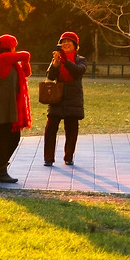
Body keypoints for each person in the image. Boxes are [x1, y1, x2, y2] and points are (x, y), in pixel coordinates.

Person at [0, 34, 32, 183]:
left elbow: (27, 72)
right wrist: (22, 58)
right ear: (10, 47)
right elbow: (26, 55)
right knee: (5, 139)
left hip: (11, 105)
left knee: (13, 138)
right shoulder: (2, 59)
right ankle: (1, 170)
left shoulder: (13, 63)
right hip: (3, 106)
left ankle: (0, 167)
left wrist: (24, 63)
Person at [43, 31, 87, 166]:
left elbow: (78, 71)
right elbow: (50, 77)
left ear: (75, 45)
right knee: (50, 128)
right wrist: (55, 65)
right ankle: (48, 158)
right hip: (57, 96)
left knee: (72, 129)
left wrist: (65, 61)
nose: (66, 43)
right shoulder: (56, 59)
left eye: (69, 41)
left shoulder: (81, 60)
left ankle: (69, 157)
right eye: (63, 41)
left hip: (73, 97)